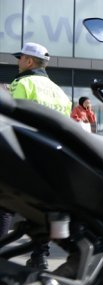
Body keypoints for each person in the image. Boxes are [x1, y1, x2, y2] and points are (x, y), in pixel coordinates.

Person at [8, 42, 72, 270]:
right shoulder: (60, 92)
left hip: (23, 152)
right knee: (41, 208)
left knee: (4, 205)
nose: (18, 62)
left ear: (29, 61)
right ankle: (40, 256)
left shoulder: (22, 82)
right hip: (51, 157)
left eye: (20, 58)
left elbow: (10, 117)